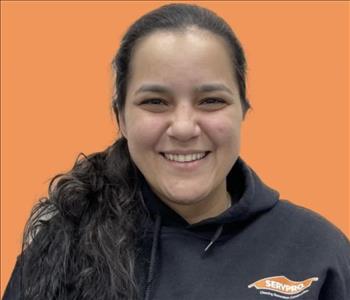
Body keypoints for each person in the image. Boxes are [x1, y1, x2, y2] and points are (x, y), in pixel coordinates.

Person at [3, 3, 350, 300]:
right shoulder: (62, 247)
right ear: (121, 117)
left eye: (211, 101)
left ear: (242, 111)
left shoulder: (317, 250)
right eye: (155, 102)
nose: (183, 127)